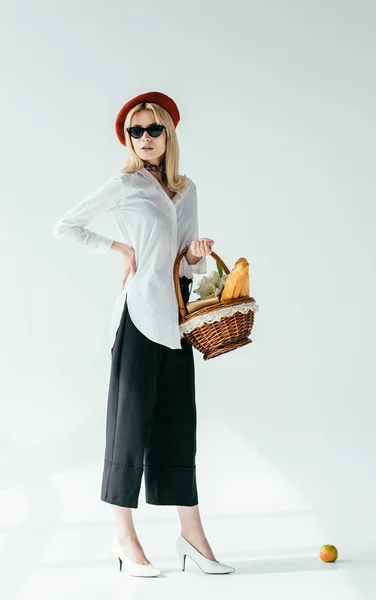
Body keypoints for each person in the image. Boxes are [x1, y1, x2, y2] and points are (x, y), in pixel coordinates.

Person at [52, 91, 235, 577]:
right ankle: (124, 537)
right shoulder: (125, 184)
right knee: (128, 426)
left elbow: (188, 264)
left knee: (179, 424)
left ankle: (193, 538)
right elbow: (66, 226)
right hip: (138, 316)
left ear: (169, 133)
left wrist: (196, 253)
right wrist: (120, 248)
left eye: (154, 129)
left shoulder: (186, 189)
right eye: (136, 131)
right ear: (129, 139)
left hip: (175, 319)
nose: (145, 138)